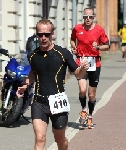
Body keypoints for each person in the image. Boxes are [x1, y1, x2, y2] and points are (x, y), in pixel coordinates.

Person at [16, 19, 89, 150]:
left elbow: (77, 74)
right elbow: (34, 71)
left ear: (52, 34)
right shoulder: (33, 55)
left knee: (60, 140)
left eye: (47, 34)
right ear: (36, 35)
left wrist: (83, 68)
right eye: (40, 34)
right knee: (40, 138)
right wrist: (26, 84)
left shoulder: (63, 53)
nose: (43, 38)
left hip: (58, 102)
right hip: (39, 102)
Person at [70, 7, 110, 129]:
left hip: (95, 63)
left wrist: (98, 47)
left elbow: (107, 46)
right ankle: (83, 109)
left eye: (90, 17)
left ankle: (90, 116)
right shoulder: (77, 28)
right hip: (81, 61)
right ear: (83, 17)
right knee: (82, 90)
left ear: (93, 17)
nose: (87, 19)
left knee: (91, 95)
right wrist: (74, 47)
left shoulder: (99, 30)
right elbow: (72, 40)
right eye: (85, 17)